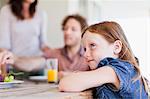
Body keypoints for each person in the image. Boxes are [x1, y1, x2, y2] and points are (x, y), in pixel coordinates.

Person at [59, 21, 149, 98]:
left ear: (116, 47)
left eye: (92, 45)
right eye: (85, 49)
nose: (85, 54)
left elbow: (65, 84)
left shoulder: (115, 70)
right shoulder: (123, 70)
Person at [0, 0, 49, 75]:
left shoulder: (41, 13)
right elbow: (4, 46)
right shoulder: (6, 11)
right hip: (15, 68)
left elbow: (43, 44)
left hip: (36, 68)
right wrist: (4, 73)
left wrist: (57, 53)